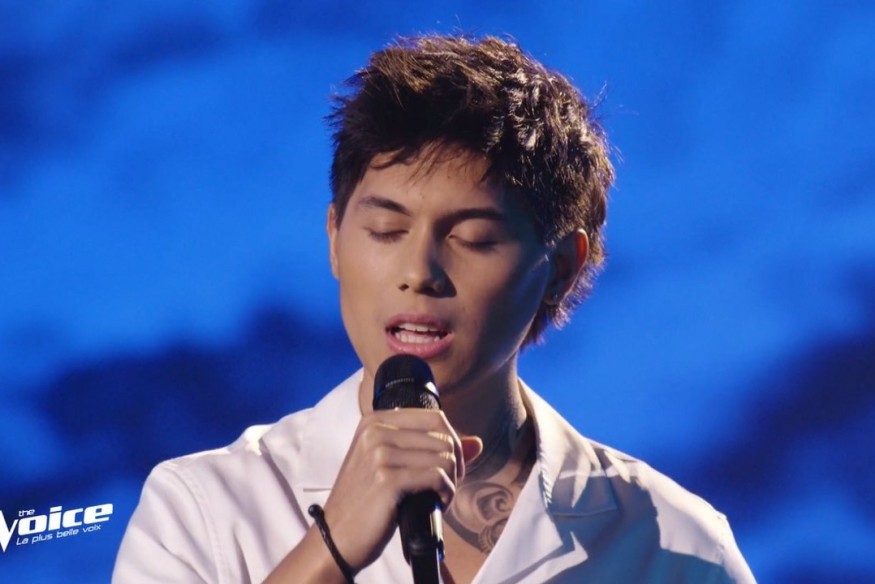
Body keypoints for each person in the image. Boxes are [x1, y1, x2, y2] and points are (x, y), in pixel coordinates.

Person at [113, 34, 755, 583]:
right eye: (386, 231)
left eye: (473, 238)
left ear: (561, 266)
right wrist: (332, 547)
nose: (418, 272)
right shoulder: (203, 511)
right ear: (334, 238)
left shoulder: (675, 545)